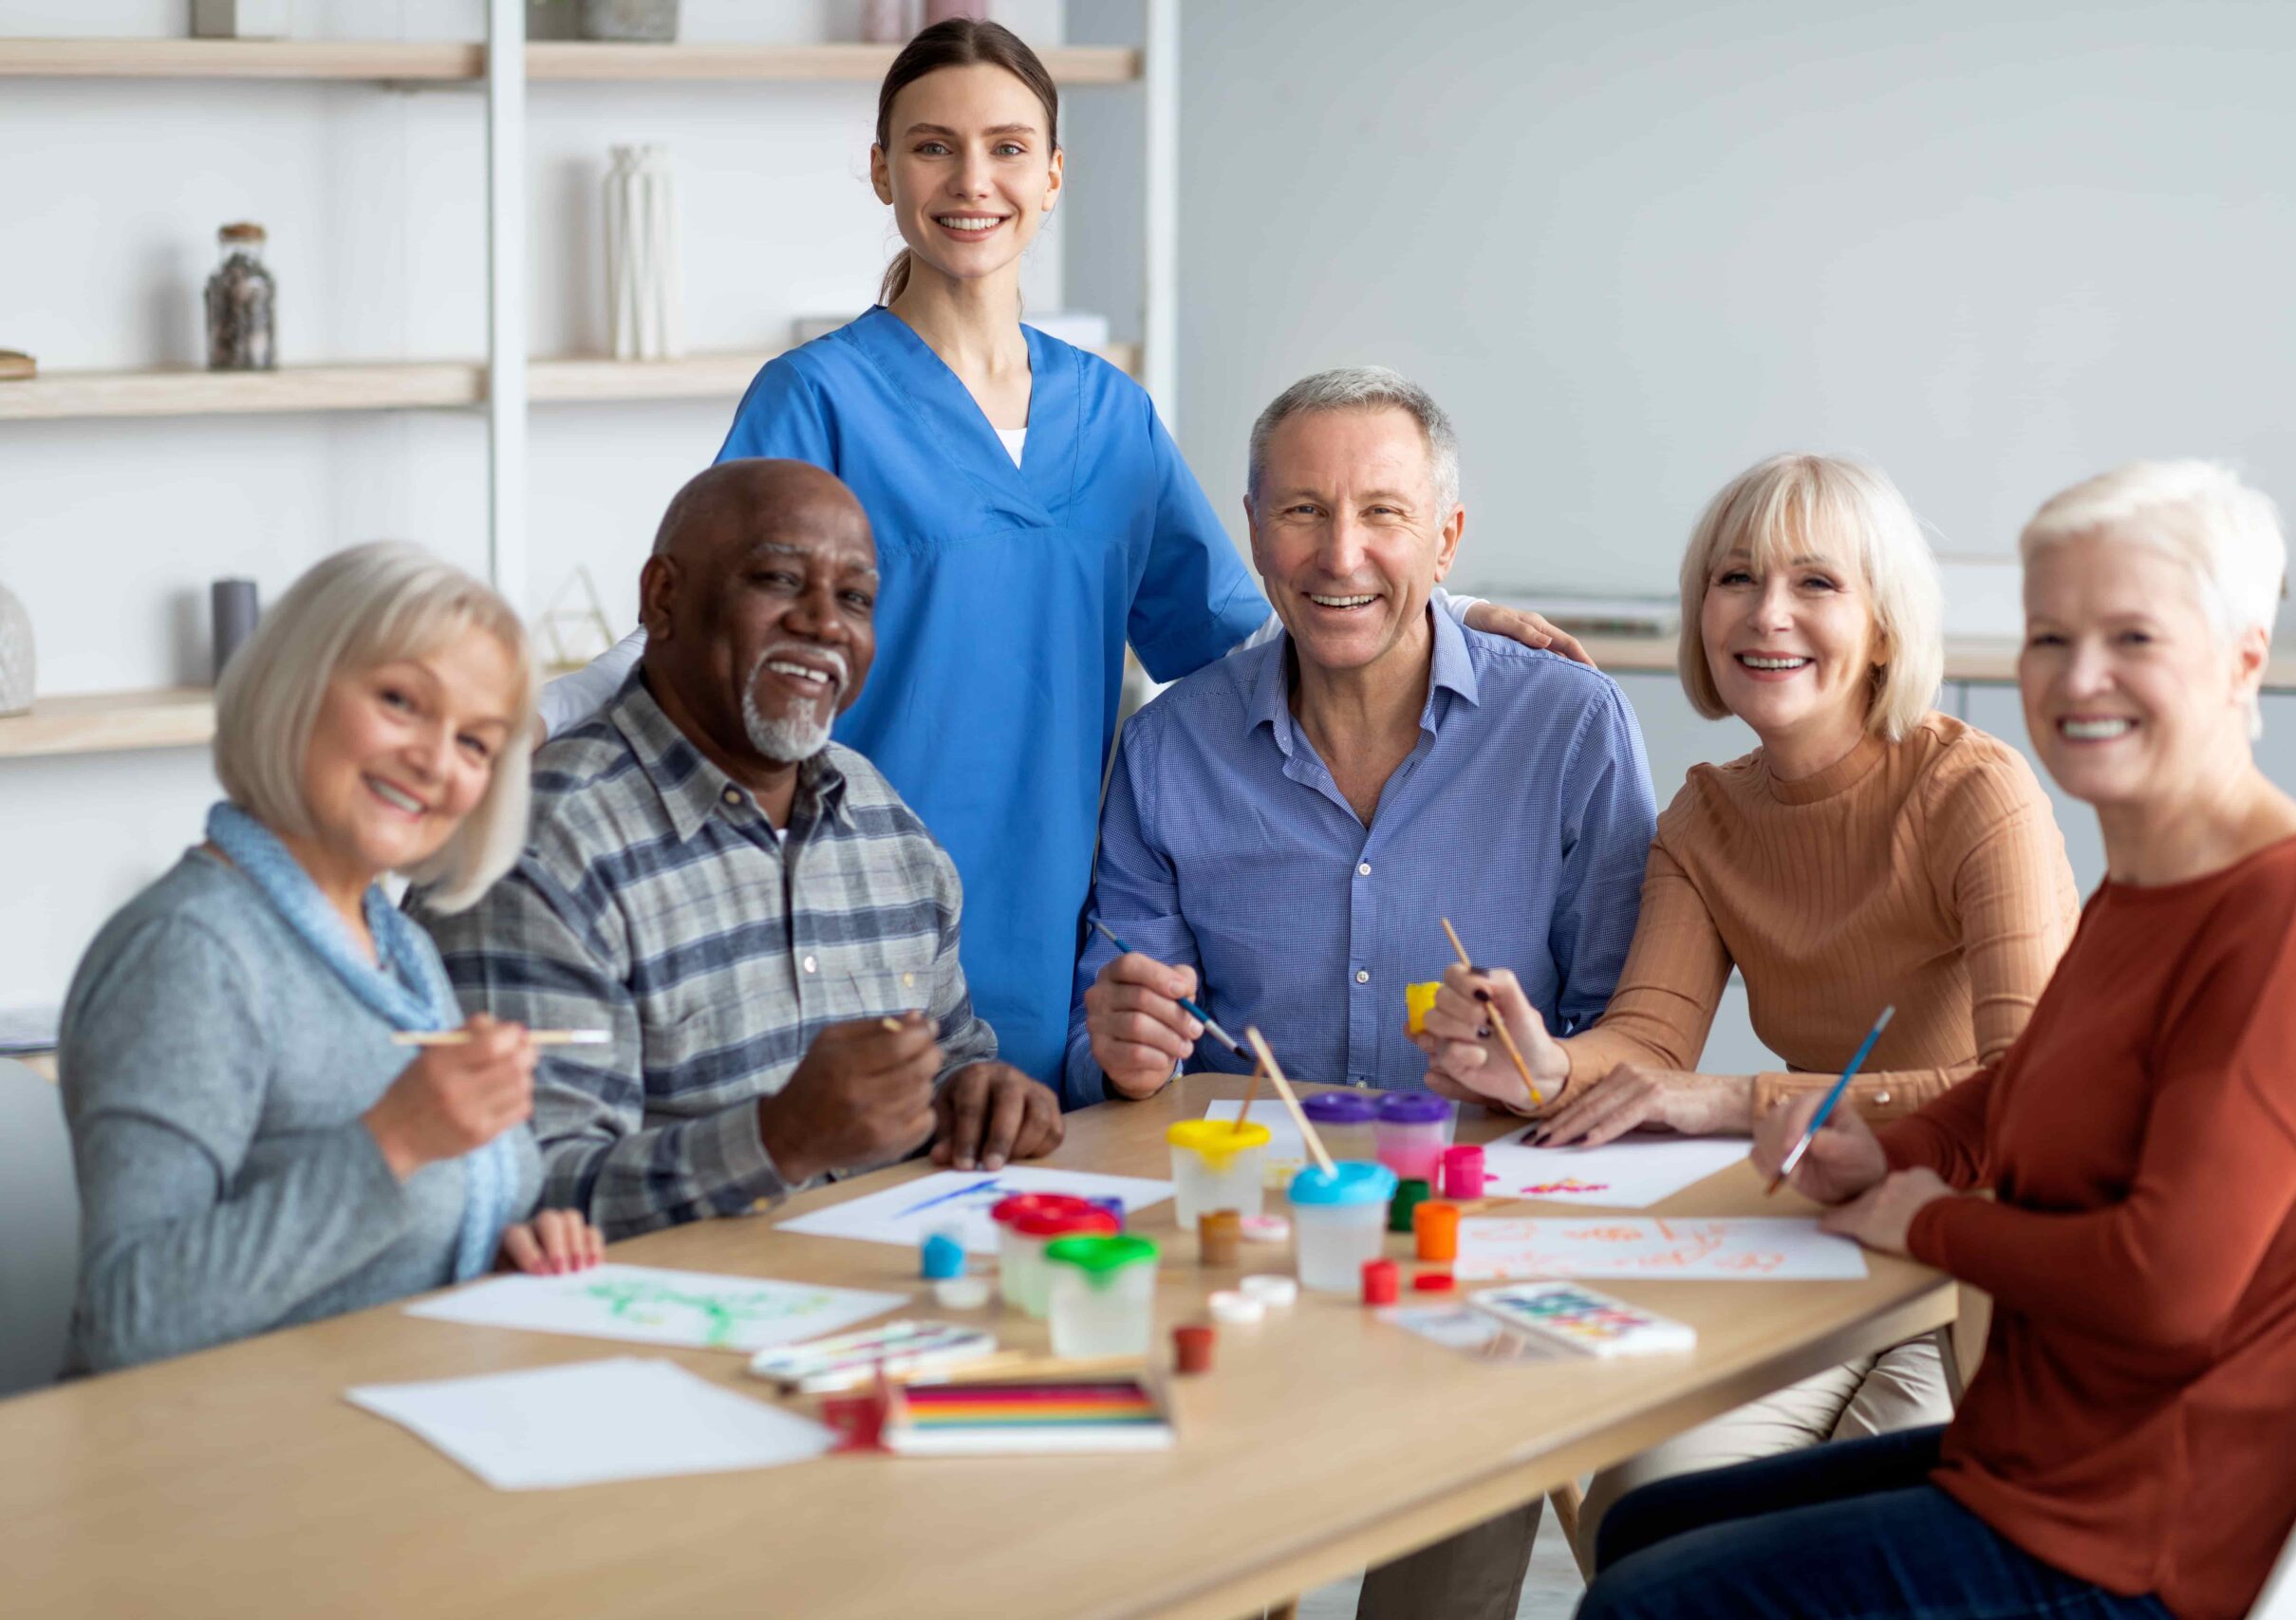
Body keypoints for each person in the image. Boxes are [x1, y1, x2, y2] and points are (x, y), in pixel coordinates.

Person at [537, 20, 1587, 1090]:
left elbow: (1256, 626)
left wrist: (1444, 614)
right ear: (881, 169)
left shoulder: (1111, 420)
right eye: (932, 146)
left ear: (1051, 175)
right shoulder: (815, 399)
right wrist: (533, 719)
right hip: (842, 911)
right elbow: (690, 640)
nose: (970, 180)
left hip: (1049, 929)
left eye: (1005, 147)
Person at [1578, 460, 2296, 1620]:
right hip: (2060, 1458)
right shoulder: (2148, 886)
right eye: (2046, 638)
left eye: (2132, 638)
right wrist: (1892, 1147)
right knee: (1642, 1526)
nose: (2079, 680)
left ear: (2243, 658)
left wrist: (1921, 1216)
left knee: (1648, 1602)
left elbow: (2169, 1287)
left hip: (2162, 1525)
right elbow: (2028, 1078)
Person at [1071, 368, 1655, 1620]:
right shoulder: (1170, 746)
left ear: (1446, 536)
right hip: (1243, 1227)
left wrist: (1542, 1057)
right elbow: (1120, 1034)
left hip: (1482, 1219)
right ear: (1251, 529)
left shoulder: (1570, 726)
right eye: (1301, 512)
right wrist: (1118, 1038)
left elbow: (1635, 1027)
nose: (1342, 553)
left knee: (1474, 1417)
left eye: (1383, 513)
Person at [1417, 454, 2078, 1536]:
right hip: (1828, 1244)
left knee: (1821, 1545)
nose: (1767, 614)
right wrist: (1542, 1064)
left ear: (1883, 623)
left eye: (1816, 582)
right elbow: (1649, 1042)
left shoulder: (1976, 794)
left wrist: (1747, 1102)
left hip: (1992, 1271)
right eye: (1734, 578)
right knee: (1645, 1507)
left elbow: (2031, 1099)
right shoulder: (1704, 818)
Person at [422, 460, 1063, 1241]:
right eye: (780, 580)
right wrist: (776, 1140)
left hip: (883, 1310)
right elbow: (512, 1196)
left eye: (855, 598)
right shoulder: (539, 848)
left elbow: (952, 1056)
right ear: (662, 598)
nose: (825, 623)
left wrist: (981, 1096)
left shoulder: (884, 824)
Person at [61, 543, 602, 1374]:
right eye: (400, 701)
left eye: (476, 744)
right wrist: (394, 1142)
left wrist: (500, 1250)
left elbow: (367, 1259)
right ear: (296, 684)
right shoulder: (191, 952)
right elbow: (129, 1319)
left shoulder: (400, 946)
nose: (434, 761)